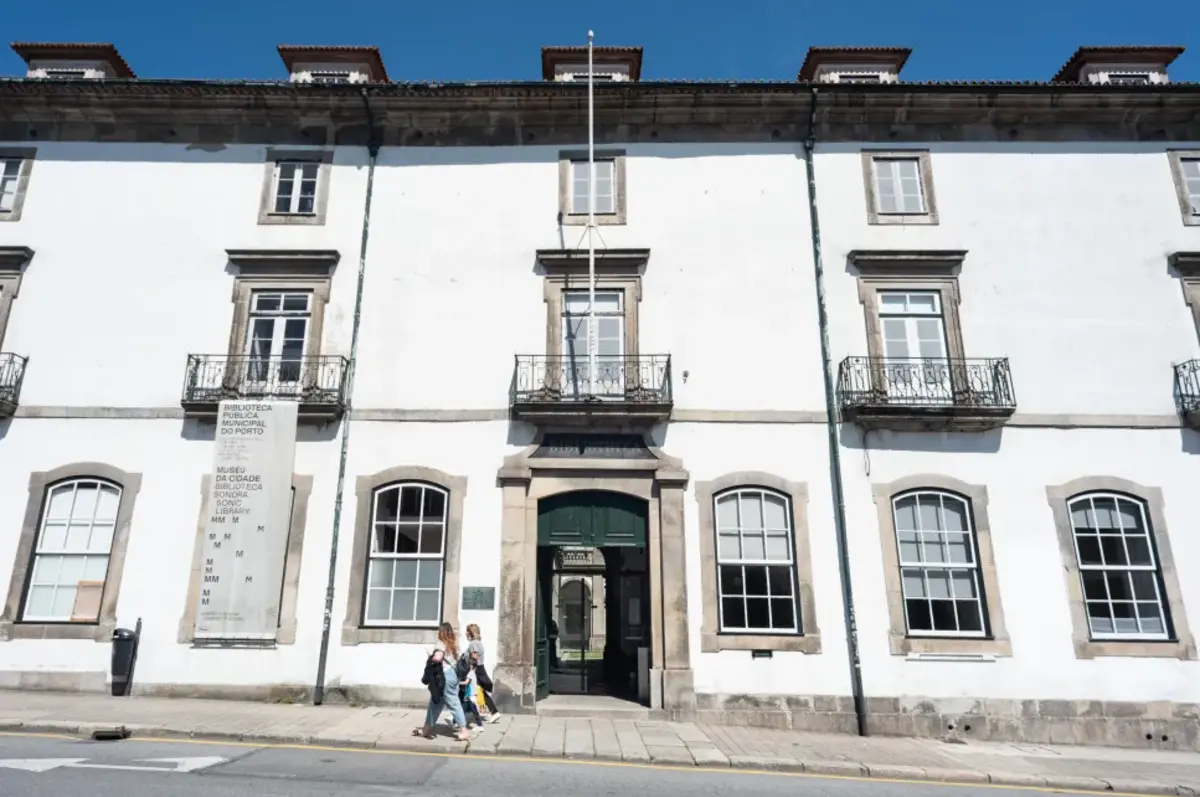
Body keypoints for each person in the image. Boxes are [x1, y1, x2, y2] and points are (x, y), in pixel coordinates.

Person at [413, 623, 471, 741]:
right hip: (453, 675)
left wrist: (431, 656)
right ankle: (426, 729)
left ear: (441, 632)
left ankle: (464, 731)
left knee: (453, 703)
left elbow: (438, 657)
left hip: (444, 677)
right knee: (435, 703)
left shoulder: (441, 642)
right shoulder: (454, 644)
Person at [465, 623, 501, 722]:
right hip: (480, 668)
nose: (465, 633)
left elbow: (474, 657)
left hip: (476, 669)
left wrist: (470, 670)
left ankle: (469, 713)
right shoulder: (479, 642)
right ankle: (494, 712)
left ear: (471, 633)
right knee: (481, 692)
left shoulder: (473, 644)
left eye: (467, 631)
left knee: (469, 691)